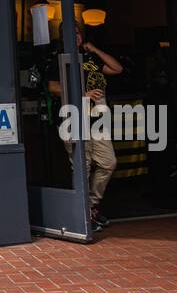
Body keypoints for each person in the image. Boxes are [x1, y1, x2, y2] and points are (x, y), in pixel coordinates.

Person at [50, 24, 124, 231]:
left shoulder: (89, 59)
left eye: (78, 32)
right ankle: (82, 213)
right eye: (70, 33)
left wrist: (95, 49)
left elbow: (117, 69)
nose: (75, 36)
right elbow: (53, 87)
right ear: (62, 37)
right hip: (72, 118)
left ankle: (91, 205)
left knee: (109, 162)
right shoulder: (60, 58)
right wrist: (84, 94)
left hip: (96, 119)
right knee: (83, 166)